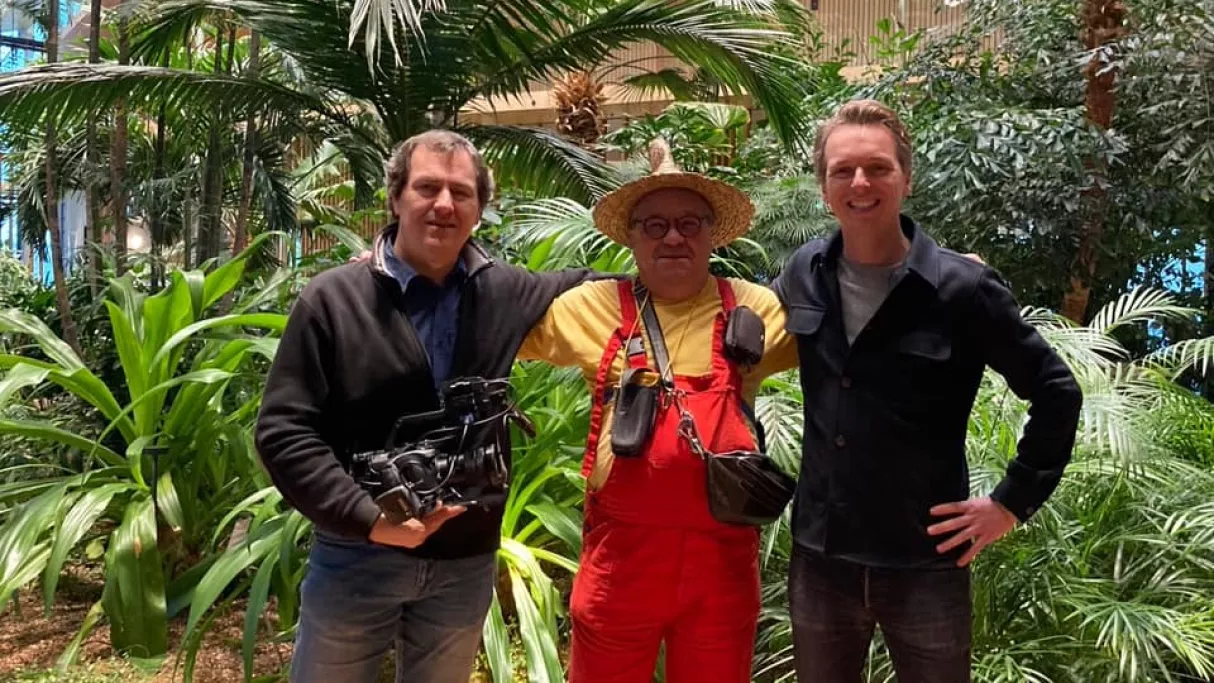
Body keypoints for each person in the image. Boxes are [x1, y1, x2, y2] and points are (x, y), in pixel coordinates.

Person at [255, 130, 592, 683]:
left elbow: (603, 289)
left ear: (479, 209)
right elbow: (283, 431)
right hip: (357, 553)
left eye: (462, 193)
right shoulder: (335, 298)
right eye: (427, 187)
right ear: (396, 198)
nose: (444, 204)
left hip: (464, 561)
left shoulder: (505, 292)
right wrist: (369, 518)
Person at [773, 99, 1084, 682]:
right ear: (824, 187)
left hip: (925, 561)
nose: (860, 183)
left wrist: (1011, 503)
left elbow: (1056, 390)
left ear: (906, 179)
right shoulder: (803, 271)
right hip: (821, 559)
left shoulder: (963, 289)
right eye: (842, 170)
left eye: (878, 168)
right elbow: (738, 329)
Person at [517, 140, 800, 683]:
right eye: (654, 225)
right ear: (631, 236)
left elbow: (849, 330)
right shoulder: (591, 306)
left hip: (721, 567)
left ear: (712, 234)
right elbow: (487, 322)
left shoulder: (754, 309)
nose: (673, 237)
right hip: (622, 565)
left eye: (689, 223)